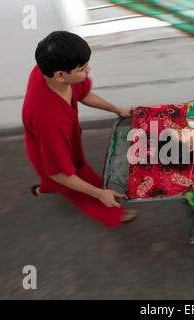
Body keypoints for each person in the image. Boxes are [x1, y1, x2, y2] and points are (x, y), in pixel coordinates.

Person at [22, 31, 136, 227]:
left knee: (55, 182)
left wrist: (117, 109)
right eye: (83, 68)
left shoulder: (48, 72)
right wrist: (100, 193)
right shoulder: (48, 119)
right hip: (47, 146)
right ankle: (112, 212)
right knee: (75, 181)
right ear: (60, 76)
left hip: (59, 139)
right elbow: (59, 173)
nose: (89, 69)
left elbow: (82, 94)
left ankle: (41, 190)